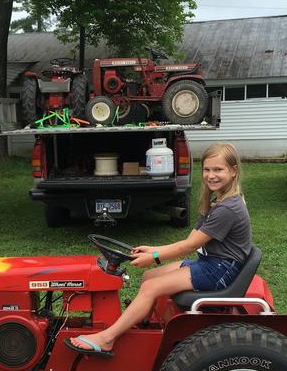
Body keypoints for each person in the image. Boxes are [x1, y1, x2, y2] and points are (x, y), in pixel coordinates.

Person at [64, 143, 252, 356]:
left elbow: (189, 246)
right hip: (211, 263)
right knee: (149, 277)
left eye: (218, 169)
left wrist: (154, 256)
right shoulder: (218, 201)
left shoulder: (228, 208)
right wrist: (152, 249)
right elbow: (190, 239)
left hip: (219, 270)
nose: (211, 175)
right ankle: (144, 326)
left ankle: (107, 339)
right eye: (207, 169)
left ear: (233, 171)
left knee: (150, 288)